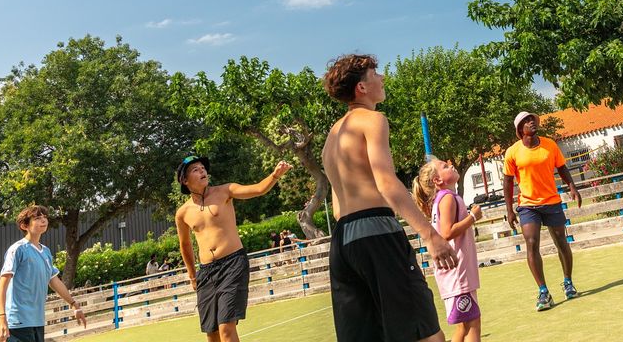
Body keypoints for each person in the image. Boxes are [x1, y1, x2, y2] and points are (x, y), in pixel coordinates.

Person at [321, 53, 457, 342]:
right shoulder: (372, 120)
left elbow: (336, 204)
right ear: (361, 87)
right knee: (427, 334)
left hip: (343, 240)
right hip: (376, 232)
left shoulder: (332, 136)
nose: (382, 79)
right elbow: (386, 182)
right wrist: (431, 237)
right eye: (376, 74)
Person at [174, 155, 293, 342]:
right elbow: (185, 245)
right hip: (206, 273)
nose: (202, 171)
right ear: (185, 180)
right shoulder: (182, 213)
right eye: (195, 170)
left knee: (226, 329)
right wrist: (192, 276)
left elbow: (258, 189)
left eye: (203, 168)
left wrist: (275, 175)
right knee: (212, 334)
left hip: (233, 263)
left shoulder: (225, 191)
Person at [503, 111, 582, 311]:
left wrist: (572, 186)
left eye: (533, 120)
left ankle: (568, 281)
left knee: (561, 242)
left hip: (551, 201)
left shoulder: (550, 145)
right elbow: (508, 181)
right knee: (531, 243)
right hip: (528, 204)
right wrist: (509, 209)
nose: (531, 122)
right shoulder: (512, 152)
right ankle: (543, 291)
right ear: (520, 129)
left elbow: (562, 168)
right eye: (526, 121)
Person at [412, 159, 483, 342]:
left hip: (458, 272)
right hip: (457, 273)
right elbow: (447, 232)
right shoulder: (447, 198)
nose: (450, 165)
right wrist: (473, 217)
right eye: (445, 166)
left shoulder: (445, 197)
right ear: (437, 180)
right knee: (471, 325)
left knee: (466, 325)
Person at [0, 205, 87, 342]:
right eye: (37, 218)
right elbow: (2, 285)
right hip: (17, 322)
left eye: (45, 217)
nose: (43, 220)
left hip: (37, 321)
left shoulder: (46, 252)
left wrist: (74, 305)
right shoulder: (17, 249)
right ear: (24, 225)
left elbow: (55, 282)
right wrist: (1, 317)